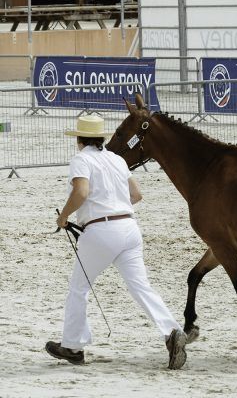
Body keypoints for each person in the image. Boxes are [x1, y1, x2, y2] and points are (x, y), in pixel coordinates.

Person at [47, 114, 190, 370]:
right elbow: (136, 195)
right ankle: (172, 331)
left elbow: (81, 192)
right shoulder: (117, 159)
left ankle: (73, 346)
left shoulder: (81, 159)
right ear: (101, 138)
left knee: (79, 288)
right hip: (129, 227)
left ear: (80, 140)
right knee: (141, 287)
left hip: (101, 231)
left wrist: (65, 216)